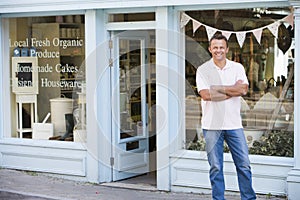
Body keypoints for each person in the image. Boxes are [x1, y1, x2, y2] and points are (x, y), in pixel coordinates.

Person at [196, 33, 256, 200]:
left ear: (227, 49)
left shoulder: (237, 68)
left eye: (221, 47)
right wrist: (231, 90)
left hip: (234, 124)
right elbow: (206, 95)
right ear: (210, 49)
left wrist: (218, 88)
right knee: (215, 167)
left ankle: (249, 198)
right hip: (211, 126)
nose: (218, 50)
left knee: (244, 165)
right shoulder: (203, 70)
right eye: (215, 47)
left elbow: (243, 90)